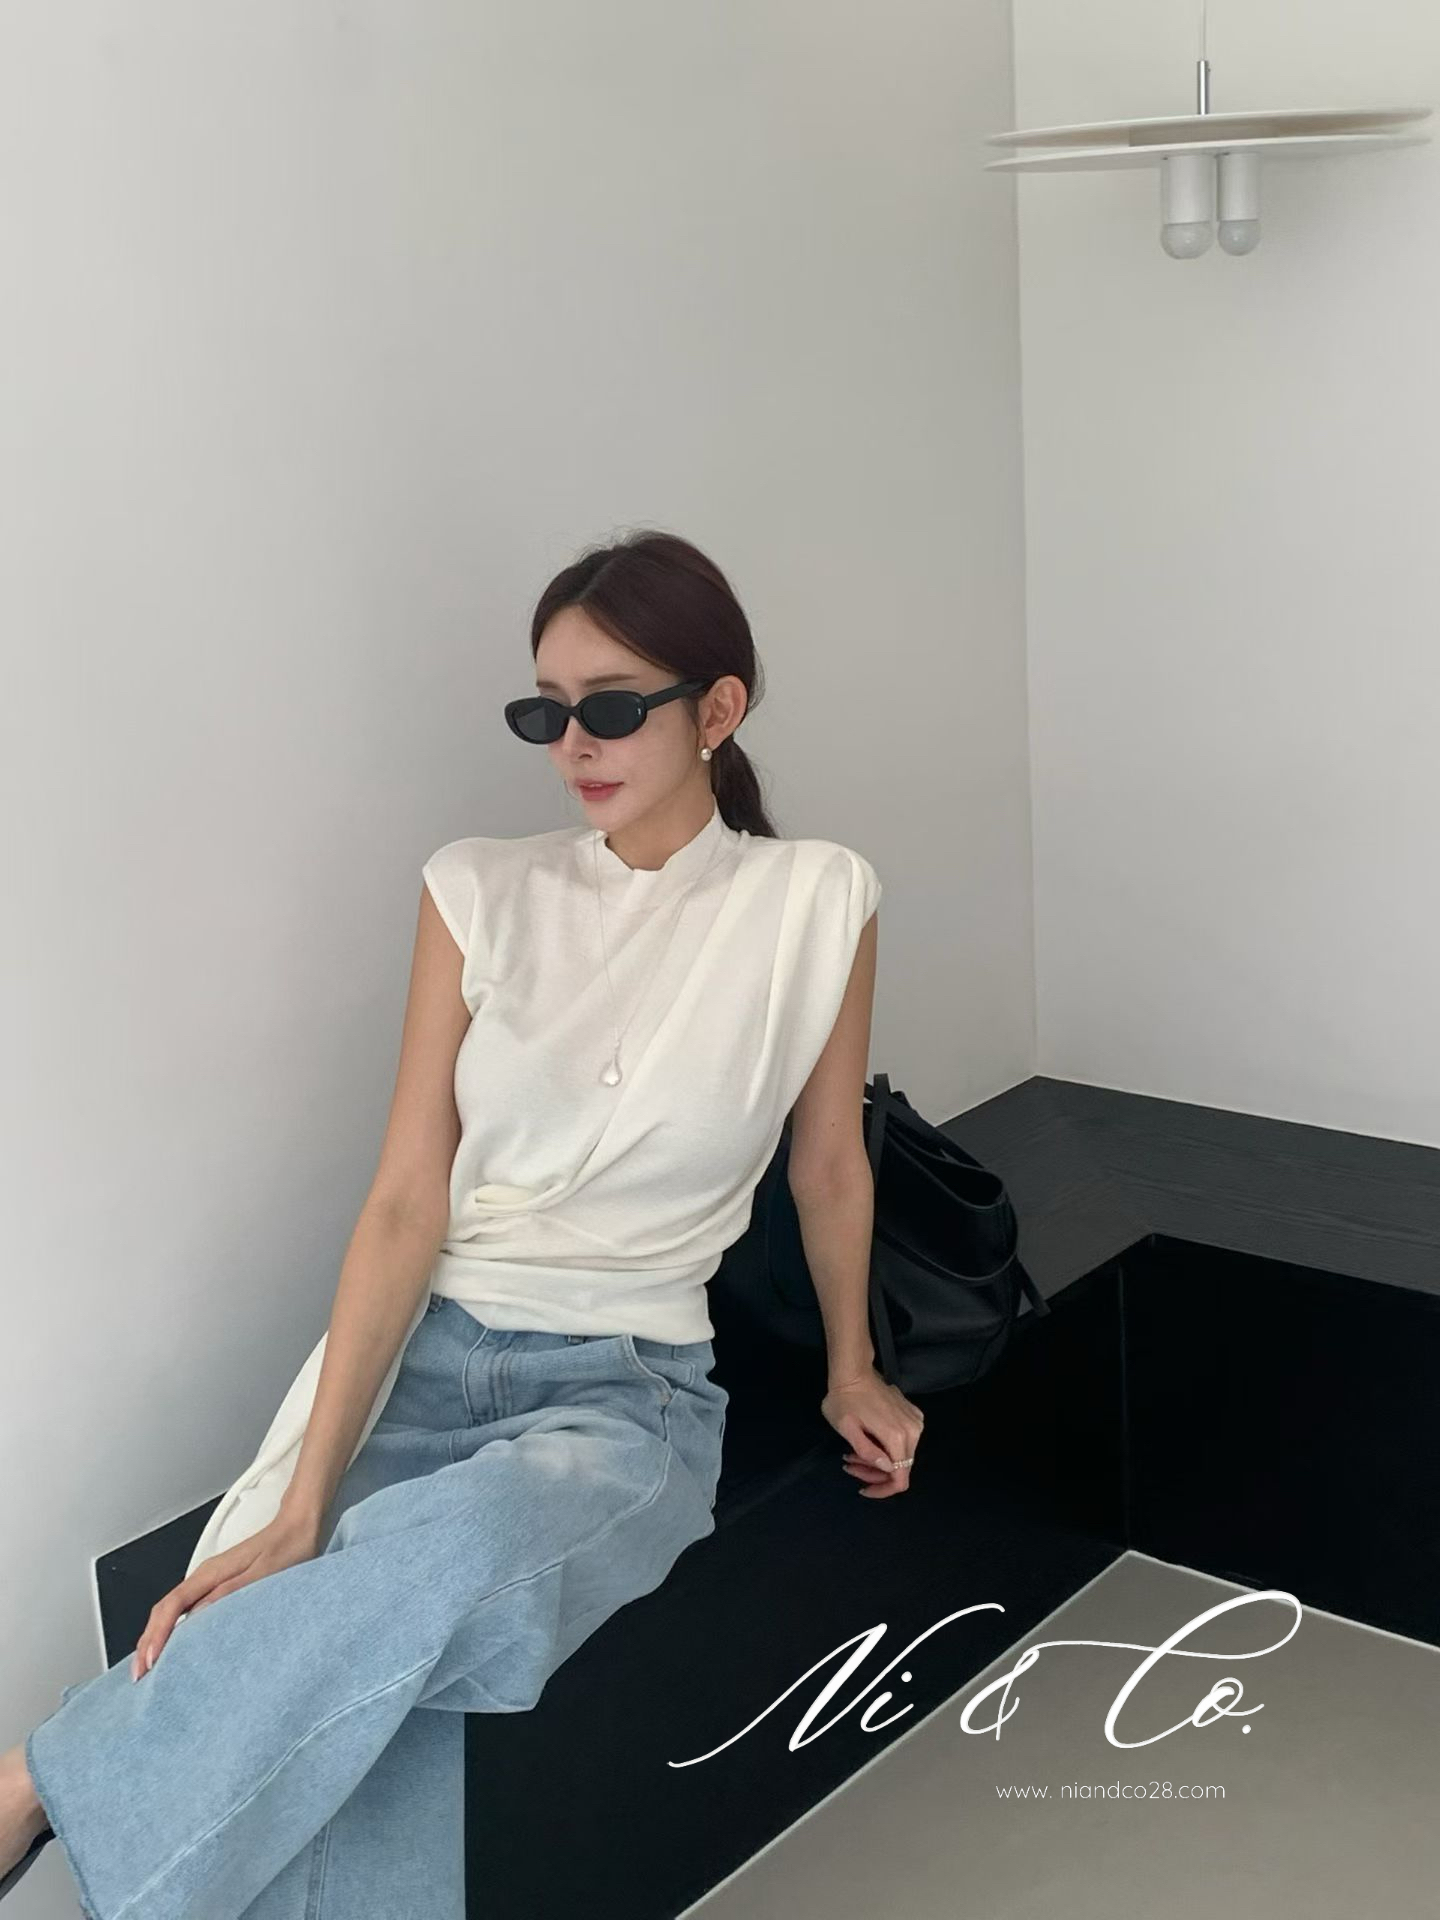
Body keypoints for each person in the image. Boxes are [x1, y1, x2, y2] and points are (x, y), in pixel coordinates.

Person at [4, 529, 924, 1917]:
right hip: (423, 1364)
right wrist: (306, 1496)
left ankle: (41, 1780)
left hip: (626, 1396)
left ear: (718, 708)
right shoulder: (477, 890)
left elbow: (830, 1165)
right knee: (373, 1684)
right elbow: (402, 1200)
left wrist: (853, 1367)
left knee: (465, 1545)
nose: (575, 744)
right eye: (546, 712)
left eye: (612, 706)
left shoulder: (816, 900)